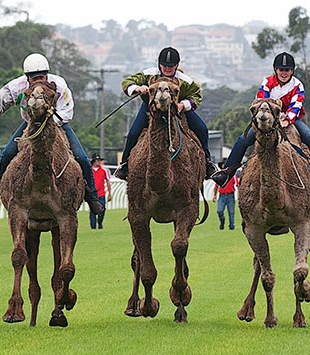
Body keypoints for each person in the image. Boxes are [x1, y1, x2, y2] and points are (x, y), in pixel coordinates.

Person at [0, 53, 104, 215]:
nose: (39, 81)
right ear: (27, 77)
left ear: (47, 75)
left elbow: (66, 111)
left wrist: (48, 122)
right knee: (8, 152)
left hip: (57, 123)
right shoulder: (18, 86)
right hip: (31, 123)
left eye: (42, 77)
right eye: (34, 78)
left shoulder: (59, 85)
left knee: (81, 157)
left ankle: (92, 196)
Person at [211, 52, 310, 188]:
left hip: (290, 120)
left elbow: (296, 106)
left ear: (292, 70)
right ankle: (227, 173)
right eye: (281, 69)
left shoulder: (298, 85)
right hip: (269, 120)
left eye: (287, 70)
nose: (284, 73)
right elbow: (261, 102)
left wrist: (286, 120)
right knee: (243, 140)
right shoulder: (267, 82)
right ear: (275, 70)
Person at [114, 47, 217, 180]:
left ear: (177, 65)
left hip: (176, 108)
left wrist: (182, 105)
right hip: (151, 107)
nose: (167, 68)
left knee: (202, 129)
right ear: (159, 64)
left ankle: (208, 164)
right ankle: (124, 165)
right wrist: (138, 88)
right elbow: (127, 82)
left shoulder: (185, 81)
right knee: (133, 133)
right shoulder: (149, 74)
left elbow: (196, 96)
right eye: (165, 65)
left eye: (171, 66)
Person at [212, 159, 238, 230]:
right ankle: (222, 222)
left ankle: (231, 226)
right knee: (219, 211)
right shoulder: (220, 175)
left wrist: (239, 196)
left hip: (230, 195)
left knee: (231, 212)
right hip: (222, 195)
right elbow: (216, 186)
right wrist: (214, 195)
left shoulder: (233, 175)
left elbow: (237, 185)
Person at [89, 154, 112, 229]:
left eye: (100, 160)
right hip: (92, 194)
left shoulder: (104, 170)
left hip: (101, 193)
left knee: (102, 209)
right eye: (98, 161)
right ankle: (93, 227)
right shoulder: (89, 170)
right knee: (92, 211)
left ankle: (100, 222)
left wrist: (109, 194)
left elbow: (108, 181)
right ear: (94, 161)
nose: (99, 162)